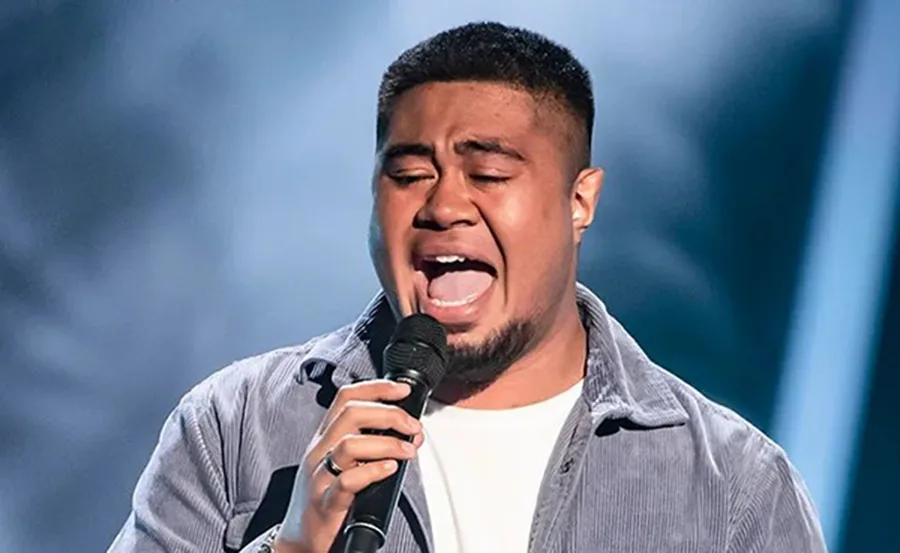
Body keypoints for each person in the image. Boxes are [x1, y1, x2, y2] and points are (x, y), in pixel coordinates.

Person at [108, 22, 827, 553]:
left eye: (488, 173)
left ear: (581, 202)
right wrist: (292, 547)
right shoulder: (235, 428)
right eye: (410, 172)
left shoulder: (732, 483)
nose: (443, 205)